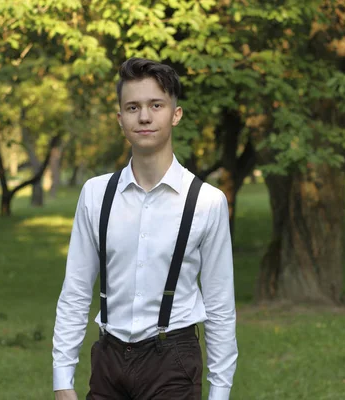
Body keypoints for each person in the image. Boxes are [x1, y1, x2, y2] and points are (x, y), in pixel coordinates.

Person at [52, 57, 238, 400]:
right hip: (108, 360)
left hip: (173, 361)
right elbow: (75, 291)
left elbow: (220, 305)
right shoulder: (96, 194)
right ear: (120, 118)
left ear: (175, 114)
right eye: (133, 107)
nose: (145, 116)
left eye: (156, 105)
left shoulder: (206, 202)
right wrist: (62, 379)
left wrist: (220, 392)